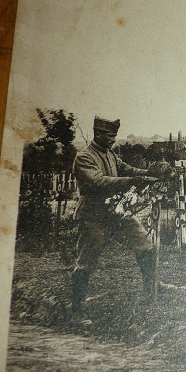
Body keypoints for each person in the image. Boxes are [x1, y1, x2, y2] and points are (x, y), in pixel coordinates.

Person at [71, 116, 163, 321]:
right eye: (110, 136)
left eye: (114, 136)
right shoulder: (84, 157)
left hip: (117, 214)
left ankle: (152, 290)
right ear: (98, 134)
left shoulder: (110, 155)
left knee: (146, 245)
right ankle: (77, 311)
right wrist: (131, 181)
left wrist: (150, 174)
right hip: (94, 217)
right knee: (86, 262)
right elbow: (98, 181)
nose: (113, 139)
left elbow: (127, 169)